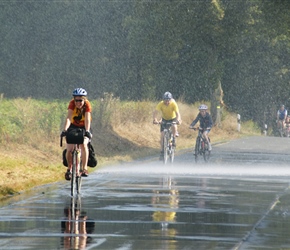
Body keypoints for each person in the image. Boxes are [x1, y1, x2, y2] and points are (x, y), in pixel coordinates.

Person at [61, 88, 92, 180]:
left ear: (84, 99)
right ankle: (69, 169)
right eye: (76, 100)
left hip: (84, 126)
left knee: (84, 144)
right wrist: (65, 130)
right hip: (73, 126)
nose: (78, 103)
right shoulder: (71, 104)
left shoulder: (87, 105)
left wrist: (87, 131)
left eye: (80, 100)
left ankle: (84, 168)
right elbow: (69, 118)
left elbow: (87, 119)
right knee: (69, 149)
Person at [153, 92, 182, 160]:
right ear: (163, 100)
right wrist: (155, 119)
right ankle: (162, 152)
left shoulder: (173, 104)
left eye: (168, 100)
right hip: (164, 119)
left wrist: (177, 120)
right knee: (162, 136)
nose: (167, 101)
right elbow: (155, 112)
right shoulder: (161, 104)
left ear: (171, 99)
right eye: (165, 100)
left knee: (174, 126)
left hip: (173, 118)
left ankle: (174, 139)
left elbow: (178, 114)